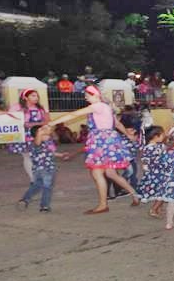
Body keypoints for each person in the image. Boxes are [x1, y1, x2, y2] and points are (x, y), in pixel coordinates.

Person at [47, 85, 139, 214]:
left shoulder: (97, 106)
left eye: (87, 95)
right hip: (108, 141)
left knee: (97, 173)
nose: (85, 97)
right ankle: (135, 195)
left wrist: (51, 123)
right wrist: (127, 135)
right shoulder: (106, 107)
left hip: (102, 142)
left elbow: (74, 114)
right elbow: (117, 124)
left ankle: (103, 205)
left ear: (95, 95)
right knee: (111, 173)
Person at [16, 125, 69, 213]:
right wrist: (41, 131)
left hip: (38, 171)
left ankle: (25, 200)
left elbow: (50, 153)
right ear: (39, 134)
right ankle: (44, 206)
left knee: (36, 186)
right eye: (46, 134)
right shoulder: (36, 143)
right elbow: (38, 141)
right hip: (47, 169)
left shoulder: (44, 143)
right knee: (47, 187)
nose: (48, 136)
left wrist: (61, 155)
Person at [7, 89, 51, 181]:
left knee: (40, 155)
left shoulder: (41, 108)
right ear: (25, 97)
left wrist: (32, 124)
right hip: (24, 134)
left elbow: (47, 120)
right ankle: (33, 178)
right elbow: (11, 120)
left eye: (37, 96)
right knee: (27, 156)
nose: (36, 98)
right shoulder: (16, 107)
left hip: (37, 133)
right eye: (33, 96)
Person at [137, 125, 166, 218]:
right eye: (162, 135)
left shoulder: (159, 145)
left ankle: (159, 208)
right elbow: (145, 162)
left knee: (161, 191)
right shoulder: (149, 148)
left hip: (161, 172)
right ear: (155, 136)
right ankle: (153, 209)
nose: (164, 136)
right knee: (163, 192)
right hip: (156, 174)